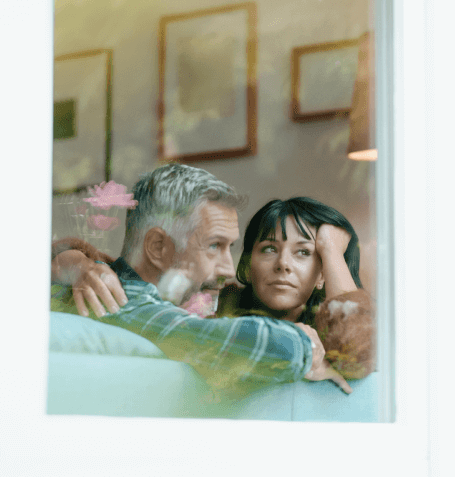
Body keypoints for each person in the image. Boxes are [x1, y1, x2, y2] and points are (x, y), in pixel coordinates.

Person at [51, 163, 350, 394]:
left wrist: (71, 257)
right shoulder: (123, 301)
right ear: (158, 247)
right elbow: (253, 343)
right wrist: (304, 343)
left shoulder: (120, 284)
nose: (229, 270)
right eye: (214, 246)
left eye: (229, 248)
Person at [217, 197, 375, 379]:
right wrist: (291, 341)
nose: (283, 264)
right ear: (246, 267)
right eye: (269, 249)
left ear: (322, 275)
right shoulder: (217, 308)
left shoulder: (330, 331)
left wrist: (331, 249)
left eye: (303, 252)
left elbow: (358, 354)